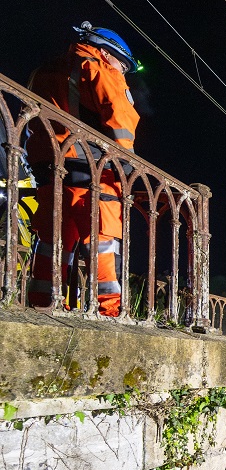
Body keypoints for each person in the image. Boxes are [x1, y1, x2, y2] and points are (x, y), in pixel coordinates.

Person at [26, 22, 141, 317]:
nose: (122, 71)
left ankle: (43, 304)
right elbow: (120, 116)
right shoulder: (98, 67)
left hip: (49, 168)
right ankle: (109, 312)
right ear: (105, 52)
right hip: (92, 170)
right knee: (102, 240)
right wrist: (126, 165)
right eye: (122, 65)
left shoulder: (43, 71)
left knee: (53, 239)